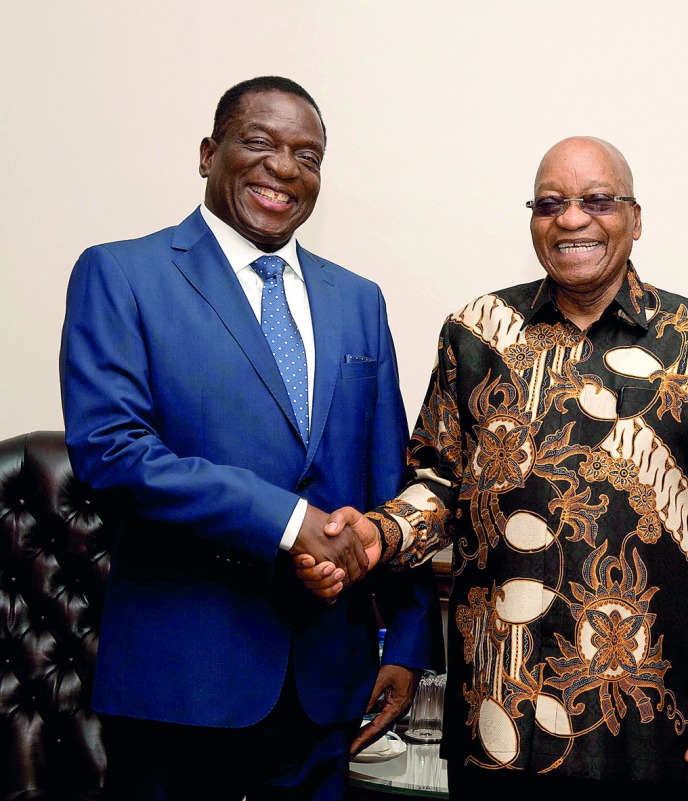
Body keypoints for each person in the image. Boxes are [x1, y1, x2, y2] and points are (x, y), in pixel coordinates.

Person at [305, 136, 688, 800]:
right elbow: (437, 482)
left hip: (650, 721)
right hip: (502, 713)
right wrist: (376, 535)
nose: (573, 218)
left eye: (598, 200)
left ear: (636, 218)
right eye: (550, 203)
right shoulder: (476, 333)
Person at [59, 76, 440, 800]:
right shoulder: (122, 274)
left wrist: (413, 640)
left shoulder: (358, 300)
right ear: (208, 153)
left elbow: (391, 476)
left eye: (308, 154)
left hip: (328, 684)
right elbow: (111, 451)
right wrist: (291, 522)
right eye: (259, 142)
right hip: (181, 688)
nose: (285, 168)